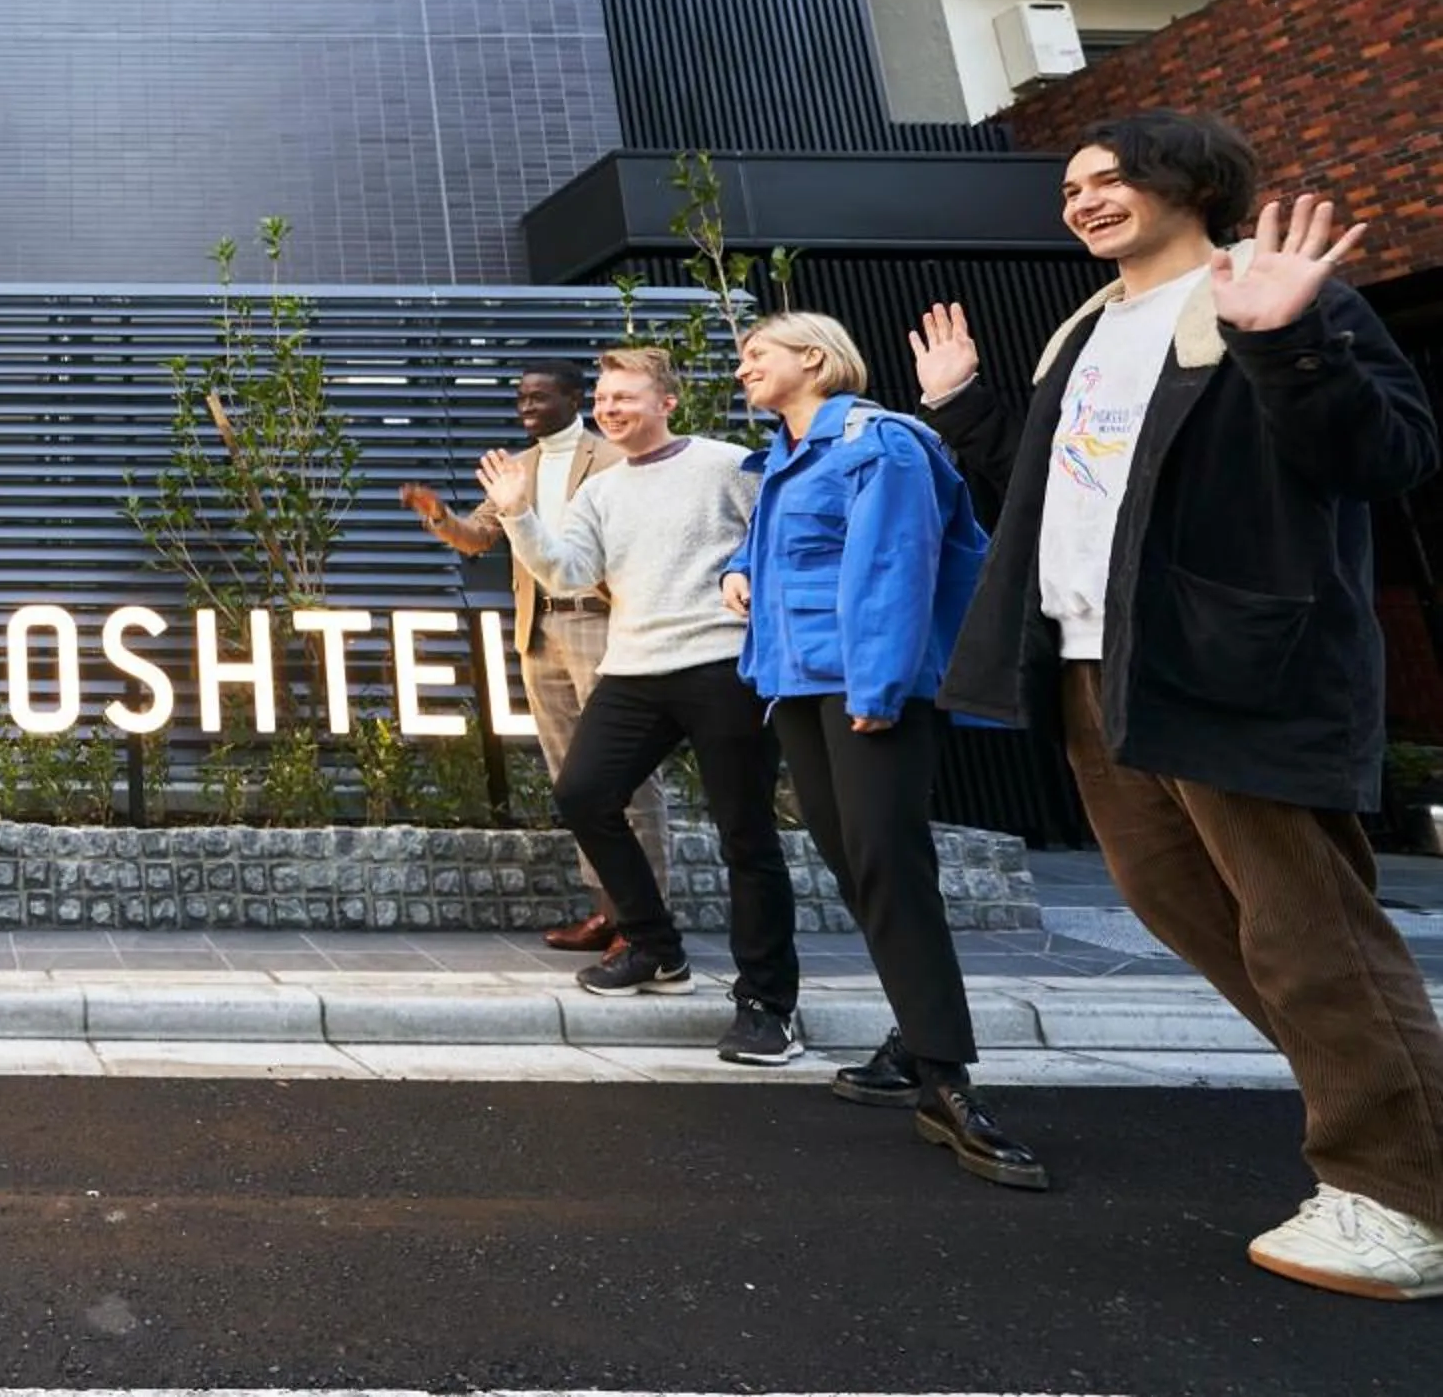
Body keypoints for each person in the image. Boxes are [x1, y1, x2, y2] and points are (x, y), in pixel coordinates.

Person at [922, 110, 1443, 1297]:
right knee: (1178, 902)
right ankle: (1398, 1118)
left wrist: (1287, 340)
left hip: (1226, 657)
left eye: (1110, 177)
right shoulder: (1085, 330)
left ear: (1189, 181)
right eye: (1070, 188)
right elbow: (1052, 492)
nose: (1085, 199)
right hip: (1096, 664)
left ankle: (1404, 1189)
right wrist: (964, 407)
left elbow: (1390, 453)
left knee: (1306, 925)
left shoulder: (1263, 290)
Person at [721, 312, 1043, 1190]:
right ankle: (915, 1037)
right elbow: (778, 550)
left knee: (890, 869)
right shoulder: (788, 456)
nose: (743, 366)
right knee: (859, 867)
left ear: (814, 359)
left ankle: (947, 1084)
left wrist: (879, 685)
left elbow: (895, 565)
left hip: (864, 687)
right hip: (797, 683)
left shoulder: (880, 442)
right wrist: (735, 572)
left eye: (758, 354)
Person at [483, 347, 801, 1066]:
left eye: (625, 397)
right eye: (603, 399)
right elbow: (570, 570)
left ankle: (768, 1006)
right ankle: (655, 949)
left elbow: (778, 541)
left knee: (745, 836)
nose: (609, 408)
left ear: (668, 403)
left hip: (723, 666)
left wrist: (749, 585)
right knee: (584, 793)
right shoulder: (603, 491)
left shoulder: (728, 465)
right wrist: (519, 516)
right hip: (634, 666)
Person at [403, 358, 665, 951]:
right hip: (540, 634)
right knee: (574, 781)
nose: (526, 408)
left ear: (575, 399)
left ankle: (647, 922)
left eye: (539, 397)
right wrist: (438, 516)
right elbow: (478, 537)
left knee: (632, 781)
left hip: (604, 627)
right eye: (521, 398)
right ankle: (606, 911)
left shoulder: (613, 458)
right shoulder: (516, 467)